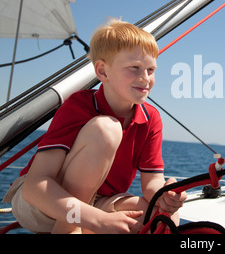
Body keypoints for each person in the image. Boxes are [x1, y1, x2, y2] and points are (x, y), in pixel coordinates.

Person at [2, 19, 187, 233]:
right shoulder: (79, 106)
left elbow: (151, 184)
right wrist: (97, 220)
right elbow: (35, 189)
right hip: (42, 203)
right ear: (103, 71)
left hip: (96, 203)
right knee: (106, 128)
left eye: (151, 69)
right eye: (134, 68)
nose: (145, 78)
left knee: (163, 218)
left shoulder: (150, 118)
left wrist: (166, 194)